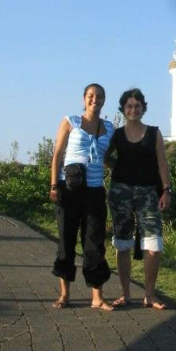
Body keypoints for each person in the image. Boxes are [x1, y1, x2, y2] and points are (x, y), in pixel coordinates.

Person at [50, 83, 115, 311]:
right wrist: (53, 185)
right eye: (90, 96)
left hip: (95, 192)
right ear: (83, 99)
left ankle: (97, 297)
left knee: (95, 243)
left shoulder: (109, 127)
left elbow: (107, 158)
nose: (94, 100)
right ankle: (64, 294)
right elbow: (58, 154)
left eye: (99, 97)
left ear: (104, 100)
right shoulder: (70, 121)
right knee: (66, 241)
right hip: (69, 189)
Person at [106, 88, 171, 309]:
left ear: (143, 108)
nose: (133, 109)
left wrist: (166, 190)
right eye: (129, 106)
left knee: (153, 245)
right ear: (123, 109)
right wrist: (118, 167)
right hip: (120, 192)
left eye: (137, 105)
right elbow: (105, 157)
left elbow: (162, 164)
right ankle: (126, 294)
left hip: (148, 192)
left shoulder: (154, 133)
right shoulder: (116, 135)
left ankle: (149, 295)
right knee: (123, 243)